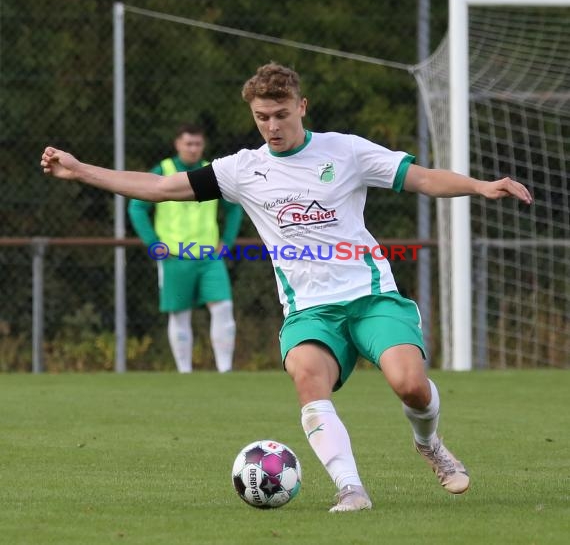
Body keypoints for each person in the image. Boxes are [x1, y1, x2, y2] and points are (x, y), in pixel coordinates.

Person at [40, 62, 533, 512]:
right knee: (306, 378)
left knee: (410, 386)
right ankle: (351, 488)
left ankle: (429, 444)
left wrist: (480, 185)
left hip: (371, 296)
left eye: (280, 114)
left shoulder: (346, 151)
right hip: (309, 311)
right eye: (261, 118)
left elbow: (422, 178)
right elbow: (160, 189)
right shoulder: (243, 169)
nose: (271, 127)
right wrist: (82, 170)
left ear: (301, 107)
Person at [128, 124, 243, 374]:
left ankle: (225, 370)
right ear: (177, 144)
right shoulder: (164, 170)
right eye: (188, 143)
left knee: (223, 307)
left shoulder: (211, 171)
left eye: (197, 144)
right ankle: (184, 372)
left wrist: (228, 240)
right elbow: (137, 206)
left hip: (209, 255)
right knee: (179, 313)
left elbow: (234, 206)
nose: (193, 149)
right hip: (174, 255)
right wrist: (153, 243)